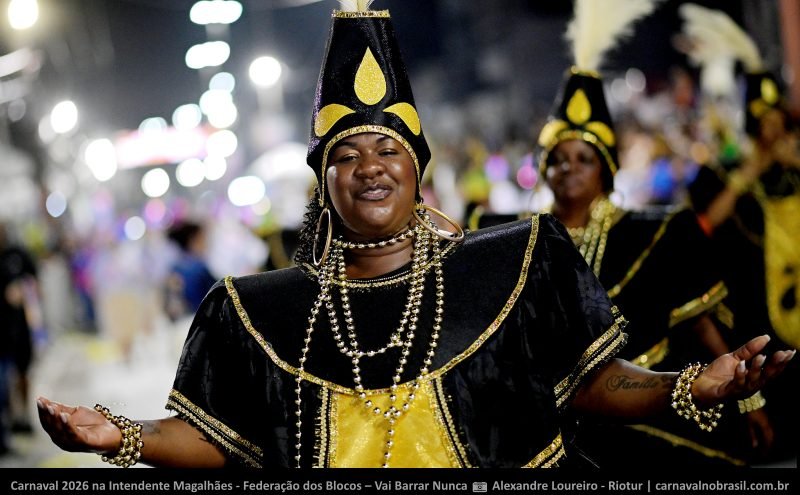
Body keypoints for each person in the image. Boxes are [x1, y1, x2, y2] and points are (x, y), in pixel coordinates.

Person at [37, 1, 794, 469]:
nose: (370, 165)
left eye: (388, 148)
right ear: (322, 179)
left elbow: (596, 384)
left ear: (418, 169)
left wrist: (691, 384)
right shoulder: (253, 312)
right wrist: (124, 435)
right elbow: (226, 439)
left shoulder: (514, 266)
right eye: (348, 153)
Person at [471, 1, 775, 466]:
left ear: (606, 170)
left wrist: (747, 398)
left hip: (646, 408)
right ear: (543, 168)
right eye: (558, 158)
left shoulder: (653, 231)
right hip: (550, 419)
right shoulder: (522, 238)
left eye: (584, 158)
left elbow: (696, 318)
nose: (568, 167)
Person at [683, 7, 800, 463]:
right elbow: (703, 227)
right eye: (764, 125)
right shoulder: (720, 174)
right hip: (760, 331)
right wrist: (751, 170)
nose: (775, 135)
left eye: (782, 125)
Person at [0, 222, 38, 453]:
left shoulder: (16, 254)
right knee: (3, 387)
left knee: (23, 374)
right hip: (2, 336)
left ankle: (22, 417)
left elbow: (33, 281)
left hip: (19, 329)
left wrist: (24, 291)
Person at [164, 220, 218, 321]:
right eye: (203, 238)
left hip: (182, 322)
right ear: (194, 240)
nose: (206, 242)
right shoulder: (199, 268)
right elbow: (220, 293)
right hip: (201, 321)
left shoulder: (174, 268)